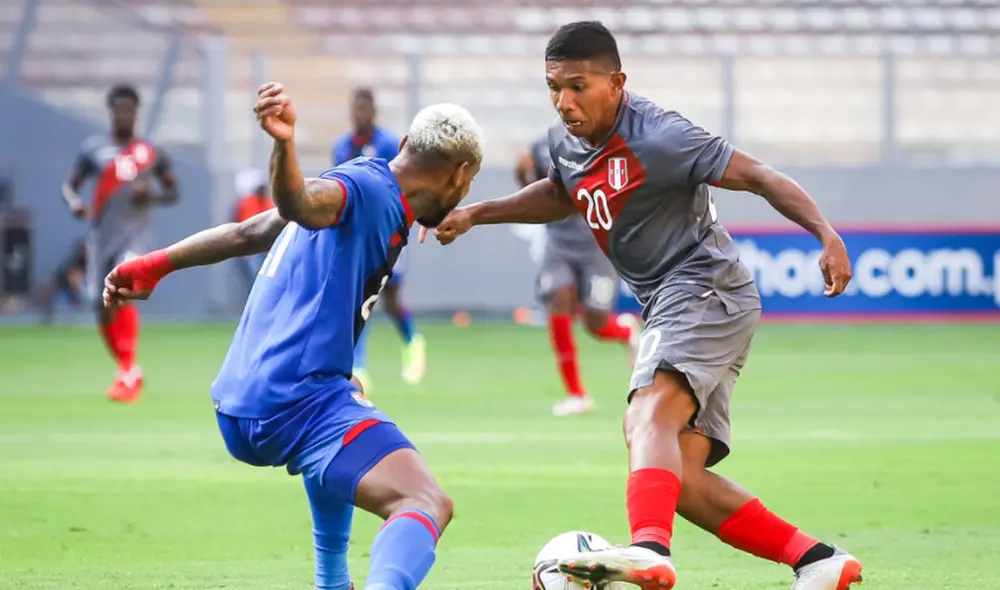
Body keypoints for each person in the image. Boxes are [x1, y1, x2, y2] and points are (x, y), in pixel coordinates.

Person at [422, 21, 860, 590]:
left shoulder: (661, 135)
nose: (564, 101)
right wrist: (479, 212)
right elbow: (562, 193)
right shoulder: (565, 141)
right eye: (554, 87)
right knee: (680, 477)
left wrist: (826, 233)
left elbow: (757, 176)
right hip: (676, 300)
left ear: (617, 82)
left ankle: (649, 551)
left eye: (578, 86)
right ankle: (819, 560)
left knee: (644, 414)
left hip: (703, 284)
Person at [103, 81, 484, 590]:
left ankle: (332, 582)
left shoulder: (373, 186)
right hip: (294, 401)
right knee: (427, 502)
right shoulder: (369, 192)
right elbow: (301, 201)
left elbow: (251, 232)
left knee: (352, 399)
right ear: (459, 174)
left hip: (241, 402)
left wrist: (152, 266)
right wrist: (283, 144)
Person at [60, 83, 179, 403]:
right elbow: (69, 187)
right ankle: (129, 370)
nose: (124, 114)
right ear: (111, 110)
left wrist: (151, 195)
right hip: (102, 236)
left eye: (129, 108)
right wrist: (74, 203)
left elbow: (173, 192)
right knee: (101, 307)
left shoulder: (152, 152)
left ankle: (127, 372)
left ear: (136, 112)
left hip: (135, 235)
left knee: (123, 281)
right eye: (118, 108)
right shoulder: (93, 149)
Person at [516, 137, 641, 416]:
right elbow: (532, 188)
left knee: (595, 322)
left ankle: (625, 331)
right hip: (558, 241)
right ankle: (576, 394)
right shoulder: (542, 147)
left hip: (597, 241)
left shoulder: (605, 144)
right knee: (558, 299)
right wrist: (522, 171)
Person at [333, 88, 426, 392]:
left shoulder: (387, 144)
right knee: (360, 299)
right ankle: (359, 365)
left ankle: (412, 342)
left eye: (365, 108)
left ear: (373, 112)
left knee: (391, 298)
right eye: (356, 108)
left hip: (389, 232)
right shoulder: (342, 147)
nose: (360, 114)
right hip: (358, 236)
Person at [232, 168, 274, 284]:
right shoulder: (247, 203)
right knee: (256, 279)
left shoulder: (267, 202)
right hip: (251, 248)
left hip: (265, 247)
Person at [38, 239, 88, 323]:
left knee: (77, 280)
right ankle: (47, 313)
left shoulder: (90, 260)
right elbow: (68, 274)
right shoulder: (72, 261)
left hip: (83, 285)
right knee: (48, 283)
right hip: (64, 284)